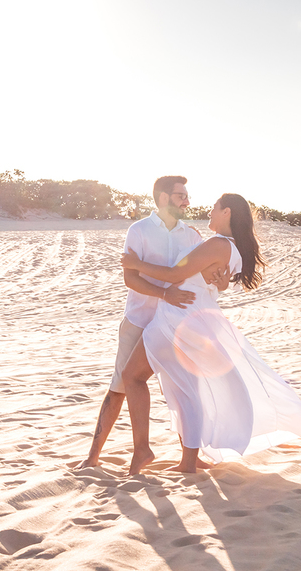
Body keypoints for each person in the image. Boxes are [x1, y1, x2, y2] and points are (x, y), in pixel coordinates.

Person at [120, 193, 301, 474]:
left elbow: (174, 275)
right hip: (196, 318)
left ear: (227, 212)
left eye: (214, 208)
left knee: (133, 377)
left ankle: (154, 453)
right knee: (185, 390)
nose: (209, 212)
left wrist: (135, 264)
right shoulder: (230, 247)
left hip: (177, 317)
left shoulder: (218, 245)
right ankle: (189, 461)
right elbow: (212, 283)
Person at [80, 176, 218, 469]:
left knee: (183, 389)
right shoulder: (139, 230)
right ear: (164, 198)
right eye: (181, 196)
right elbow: (130, 278)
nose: (187, 202)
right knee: (120, 386)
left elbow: (204, 275)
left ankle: (190, 457)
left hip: (176, 326)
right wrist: (164, 294)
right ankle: (93, 457)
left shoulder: (192, 236)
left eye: (187, 196)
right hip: (140, 320)